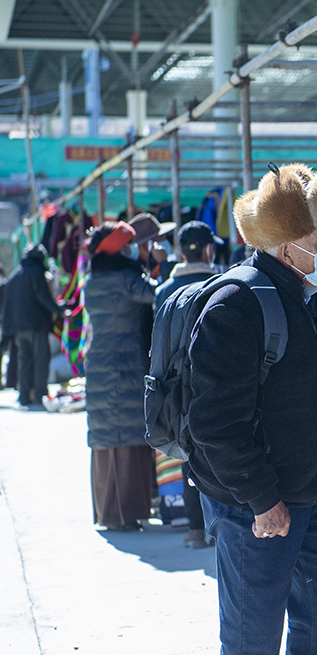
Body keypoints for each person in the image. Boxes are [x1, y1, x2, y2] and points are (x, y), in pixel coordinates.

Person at [186, 163, 317, 654]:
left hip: (315, 496)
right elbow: (214, 423)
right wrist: (262, 498)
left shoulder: (313, 293)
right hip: (254, 506)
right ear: (287, 248)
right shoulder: (235, 304)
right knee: (253, 640)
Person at [83, 221, 158, 531]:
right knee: (127, 437)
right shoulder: (126, 279)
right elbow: (157, 295)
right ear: (119, 250)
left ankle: (109, 512)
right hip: (125, 365)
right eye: (129, 245)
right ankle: (126, 513)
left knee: (106, 439)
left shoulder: (92, 281)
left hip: (100, 362)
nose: (134, 250)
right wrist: (157, 266)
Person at [154, 220, 223, 549]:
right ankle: (219, 527)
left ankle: (196, 529)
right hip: (217, 380)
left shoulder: (163, 291)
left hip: (176, 387)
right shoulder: (223, 285)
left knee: (187, 453)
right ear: (209, 250)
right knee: (220, 451)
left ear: (181, 252)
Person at [0, 244, 61, 407]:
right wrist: (59, 311)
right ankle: (39, 395)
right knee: (41, 359)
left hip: (18, 328)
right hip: (36, 324)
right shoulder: (36, 272)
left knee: (24, 360)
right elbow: (43, 296)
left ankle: (24, 396)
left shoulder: (14, 275)